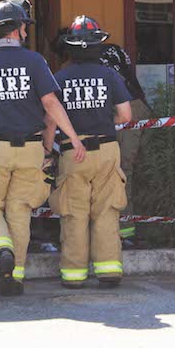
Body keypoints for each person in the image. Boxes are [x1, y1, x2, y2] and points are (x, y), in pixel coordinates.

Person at [0, 0, 86, 296]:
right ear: (20, 29)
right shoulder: (35, 62)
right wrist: (73, 137)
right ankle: (13, 276)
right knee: (19, 211)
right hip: (31, 149)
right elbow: (50, 104)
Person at [42, 16, 134, 289]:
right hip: (107, 150)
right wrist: (106, 121)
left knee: (74, 213)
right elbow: (126, 115)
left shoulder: (58, 79)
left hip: (73, 153)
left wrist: (48, 152)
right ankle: (108, 272)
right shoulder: (110, 76)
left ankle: (73, 275)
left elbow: (49, 120)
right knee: (107, 210)